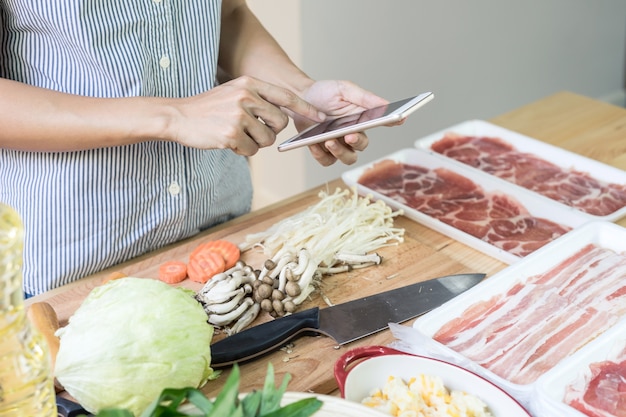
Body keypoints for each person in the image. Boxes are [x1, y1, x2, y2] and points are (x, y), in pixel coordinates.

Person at [0, 0, 388, 297]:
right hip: (75, 257)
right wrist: (174, 115)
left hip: (221, 231)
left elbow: (229, 14)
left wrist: (299, 94)